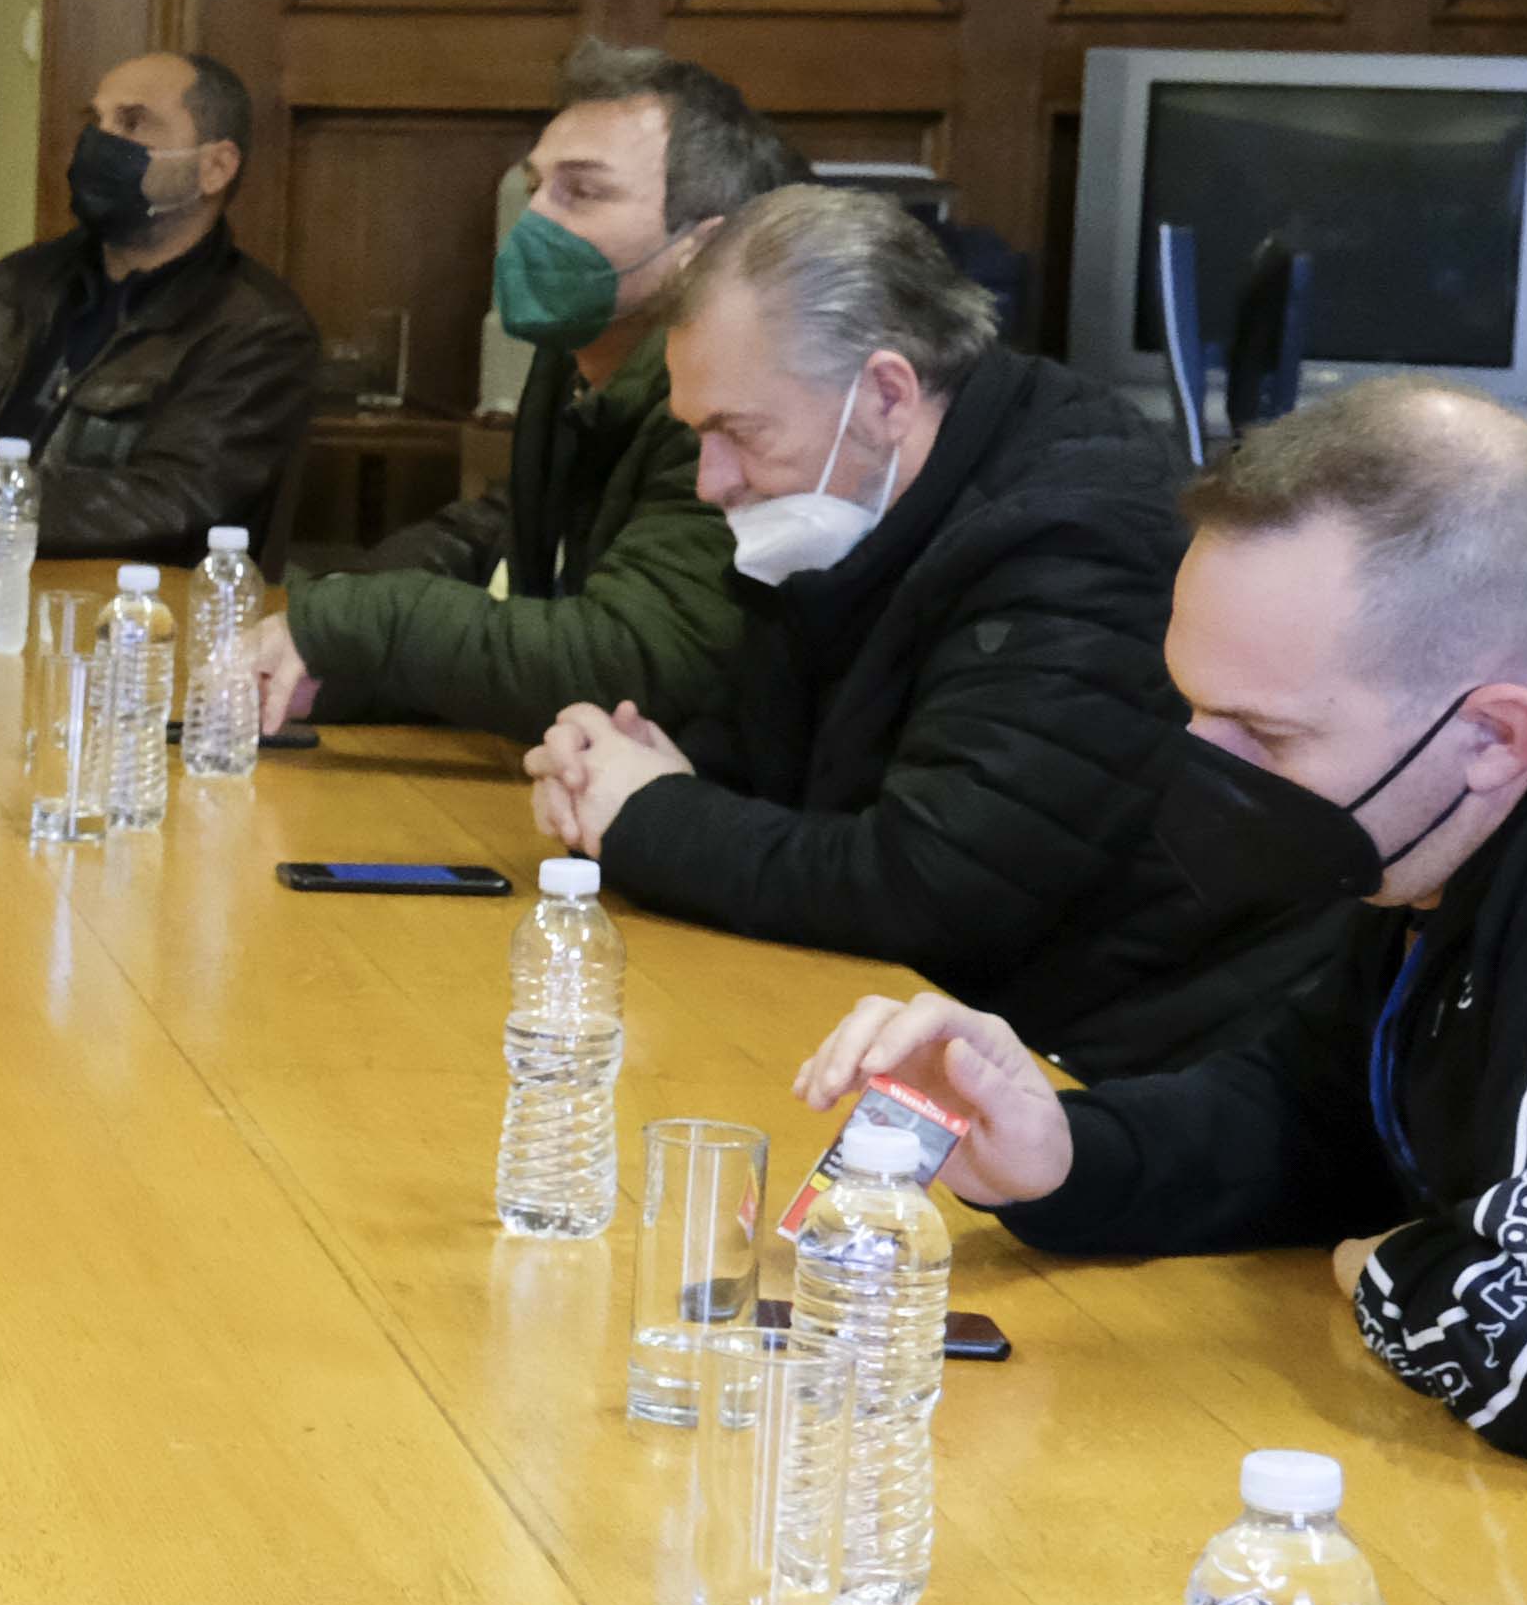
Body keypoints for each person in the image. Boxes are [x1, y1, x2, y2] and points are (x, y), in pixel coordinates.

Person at [795, 384, 1527, 1487]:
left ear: (1490, 736)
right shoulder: (1442, 841)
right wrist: (1065, 1154)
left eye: (1265, 736)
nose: (1206, 772)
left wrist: (1383, 1265)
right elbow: (1316, 1115)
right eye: (1192, 708)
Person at [523, 185, 1324, 1075]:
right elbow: (771, 773)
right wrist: (633, 773)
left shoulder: (1079, 536)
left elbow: (935, 889)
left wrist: (648, 817)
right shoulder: (843, 505)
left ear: (886, 394)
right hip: (936, 1017)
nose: (712, 482)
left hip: (1112, 1069)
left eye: (738, 434)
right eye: (696, 437)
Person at [250, 42, 792, 743]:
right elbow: (501, 536)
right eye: (535, 186)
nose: (533, 219)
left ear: (702, 246)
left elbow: (631, 660)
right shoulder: (573, 362)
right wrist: (331, 626)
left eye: (582, 192)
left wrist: (360, 622)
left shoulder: (729, 413)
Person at [0, 51, 322, 565]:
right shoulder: (14, 287)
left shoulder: (259, 329)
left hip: (123, 601)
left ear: (215, 168)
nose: (99, 141)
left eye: (132, 123)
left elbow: (170, 500)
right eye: (95, 121)